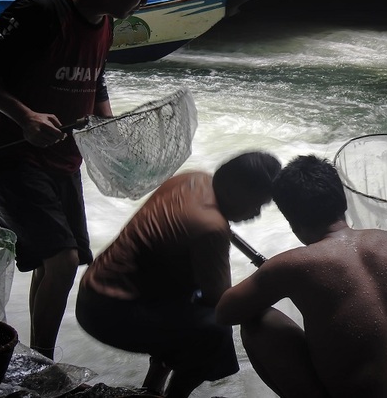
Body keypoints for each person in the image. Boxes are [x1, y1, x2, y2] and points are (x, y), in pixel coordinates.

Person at [0, 0, 172, 359]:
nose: (144, 1)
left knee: (60, 263)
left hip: (64, 155)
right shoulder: (43, 8)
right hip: (13, 151)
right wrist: (25, 116)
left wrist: (107, 119)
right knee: (61, 258)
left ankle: (38, 356)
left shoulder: (106, 20)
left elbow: (95, 74)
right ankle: (45, 362)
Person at [216, 155, 387, 398]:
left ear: (292, 222)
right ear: (344, 203)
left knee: (258, 323)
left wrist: (270, 278)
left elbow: (225, 312)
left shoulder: (290, 265)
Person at [75, 151, 281, 398]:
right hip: (109, 314)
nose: (257, 213)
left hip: (93, 291)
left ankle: (152, 388)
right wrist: (273, 284)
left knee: (190, 299)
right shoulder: (210, 226)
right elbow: (223, 301)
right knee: (216, 330)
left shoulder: (193, 179)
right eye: (256, 203)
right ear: (234, 191)